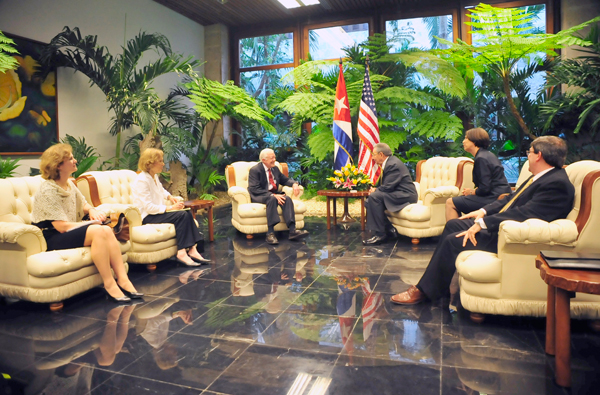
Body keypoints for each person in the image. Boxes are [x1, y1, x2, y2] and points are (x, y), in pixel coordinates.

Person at [390, 136, 575, 305]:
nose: (528, 156)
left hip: (512, 236)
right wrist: (482, 211)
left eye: (530, 152)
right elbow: (509, 200)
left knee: (452, 241)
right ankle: (439, 286)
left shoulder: (556, 183)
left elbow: (524, 214)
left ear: (538, 155)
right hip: (504, 226)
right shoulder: (541, 177)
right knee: (454, 224)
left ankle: (423, 291)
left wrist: (483, 223)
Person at [32, 144, 142, 303]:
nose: (75, 160)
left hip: (68, 230)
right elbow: (61, 227)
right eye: (70, 158)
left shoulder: (69, 184)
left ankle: (123, 280)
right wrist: (91, 224)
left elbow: (83, 204)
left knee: (105, 230)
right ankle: (109, 283)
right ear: (58, 165)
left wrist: (91, 211)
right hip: (52, 236)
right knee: (99, 230)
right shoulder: (48, 190)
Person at [131, 148, 210, 267]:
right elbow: (148, 207)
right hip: (147, 217)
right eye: (161, 161)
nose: (163, 164)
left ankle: (192, 249)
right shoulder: (142, 181)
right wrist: (171, 208)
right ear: (150, 163)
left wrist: (169, 197)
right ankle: (182, 252)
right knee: (182, 215)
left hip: (156, 213)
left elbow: (161, 190)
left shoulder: (153, 176)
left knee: (186, 211)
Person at [446, 128, 511, 221]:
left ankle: (453, 232)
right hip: (499, 195)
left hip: (494, 198)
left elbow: (485, 189)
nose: (463, 141)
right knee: (460, 200)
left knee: (450, 202)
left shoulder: (481, 159)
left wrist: (472, 192)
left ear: (474, 140)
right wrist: (473, 191)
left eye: (466, 138)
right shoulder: (488, 155)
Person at [247, 148, 309, 245]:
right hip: (260, 195)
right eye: (272, 158)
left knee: (287, 198)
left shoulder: (275, 169)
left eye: (274, 157)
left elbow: (285, 180)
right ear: (264, 160)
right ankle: (270, 233)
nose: (274, 160)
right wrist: (272, 195)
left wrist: (294, 184)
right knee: (272, 199)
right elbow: (254, 189)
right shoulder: (255, 170)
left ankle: (292, 231)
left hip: (273, 194)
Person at [362, 143, 418, 246]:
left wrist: (376, 191)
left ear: (381, 154)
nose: (373, 158)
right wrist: (375, 189)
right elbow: (386, 184)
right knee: (369, 202)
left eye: (374, 155)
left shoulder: (393, 165)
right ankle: (390, 230)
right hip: (396, 193)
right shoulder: (389, 163)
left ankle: (380, 234)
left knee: (374, 197)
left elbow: (388, 186)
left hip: (405, 195)